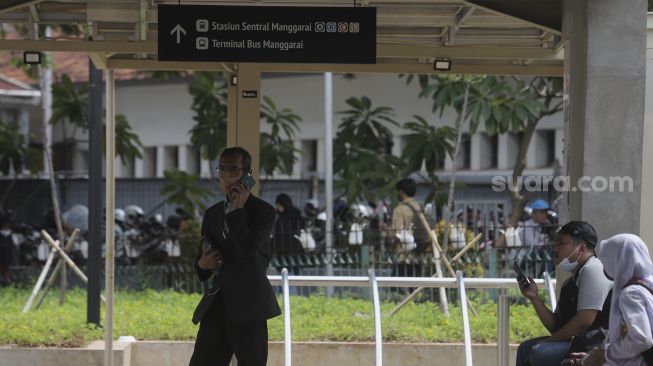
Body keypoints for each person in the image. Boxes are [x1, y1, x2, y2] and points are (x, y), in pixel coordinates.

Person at [189, 147, 281, 366]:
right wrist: (202, 264)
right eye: (222, 170)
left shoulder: (264, 212)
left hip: (250, 305)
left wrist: (237, 211)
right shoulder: (212, 214)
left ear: (247, 174)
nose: (227, 177)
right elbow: (201, 265)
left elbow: (246, 249)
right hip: (218, 303)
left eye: (234, 170)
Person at [516, 221, 612, 366]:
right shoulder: (570, 283)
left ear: (581, 248)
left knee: (539, 352)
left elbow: (584, 321)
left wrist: (549, 341)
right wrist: (534, 297)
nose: (555, 249)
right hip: (580, 343)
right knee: (525, 348)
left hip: (598, 345)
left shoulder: (593, 269)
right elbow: (556, 327)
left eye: (561, 243)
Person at [566, 234, 653, 366]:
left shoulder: (631, 293)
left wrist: (605, 355)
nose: (604, 265)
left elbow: (641, 339)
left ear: (617, 260)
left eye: (606, 259)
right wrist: (597, 355)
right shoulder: (647, 283)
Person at [0, 214, 15, 286]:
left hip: (8, 254)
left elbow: (12, 246)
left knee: (7, 266)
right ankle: (3, 278)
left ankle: (7, 278)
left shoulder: (9, 235)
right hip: (1, 253)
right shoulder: (1, 234)